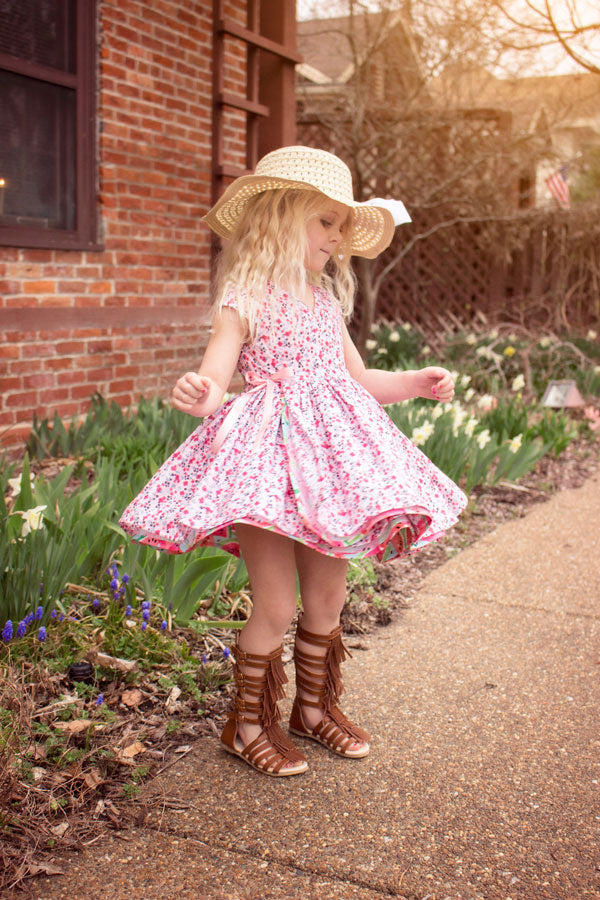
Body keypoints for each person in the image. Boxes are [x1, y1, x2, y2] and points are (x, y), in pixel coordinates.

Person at [119, 145, 467, 778]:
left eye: (341, 225)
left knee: (328, 599)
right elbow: (215, 376)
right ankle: (246, 724)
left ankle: (312, 711)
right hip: (266, 467)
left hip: (331, 471)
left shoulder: (326, 306)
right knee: (276, 605)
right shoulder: (244, 299)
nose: (336, 238)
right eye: (325, 222)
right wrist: (200, 393)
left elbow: (359, 380)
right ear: (281, 217)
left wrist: (415, 380)